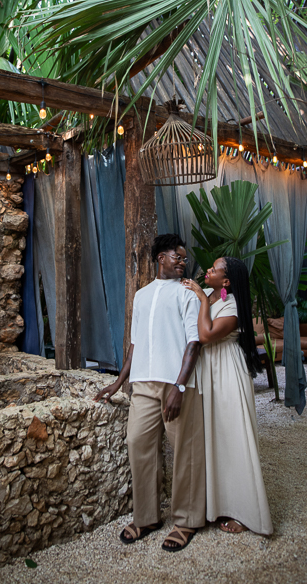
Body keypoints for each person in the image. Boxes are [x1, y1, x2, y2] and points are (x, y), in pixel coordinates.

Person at [95, 233, 206, 552]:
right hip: (142, 383)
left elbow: (193, 342)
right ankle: (147, 517)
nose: (183, 262)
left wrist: (180, 386)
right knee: (137, 442)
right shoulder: (141, 296)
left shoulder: (188, 294)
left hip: (177, 385)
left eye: (185, 258)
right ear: (161, 258)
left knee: (185, 450)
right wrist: (119, 382)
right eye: (178, 257)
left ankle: (186, 521)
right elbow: (134, 344)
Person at [182, 256, 273, 536]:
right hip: (211, 372)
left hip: (228, 375)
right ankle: (217, 504)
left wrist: (201, 297)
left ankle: (247, 513)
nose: (207, 270)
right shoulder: (213, 295)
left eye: (214, 269)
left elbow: (206, 335)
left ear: (226, 281)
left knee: (235, 439)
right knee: (216, 438)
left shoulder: (232, 305)